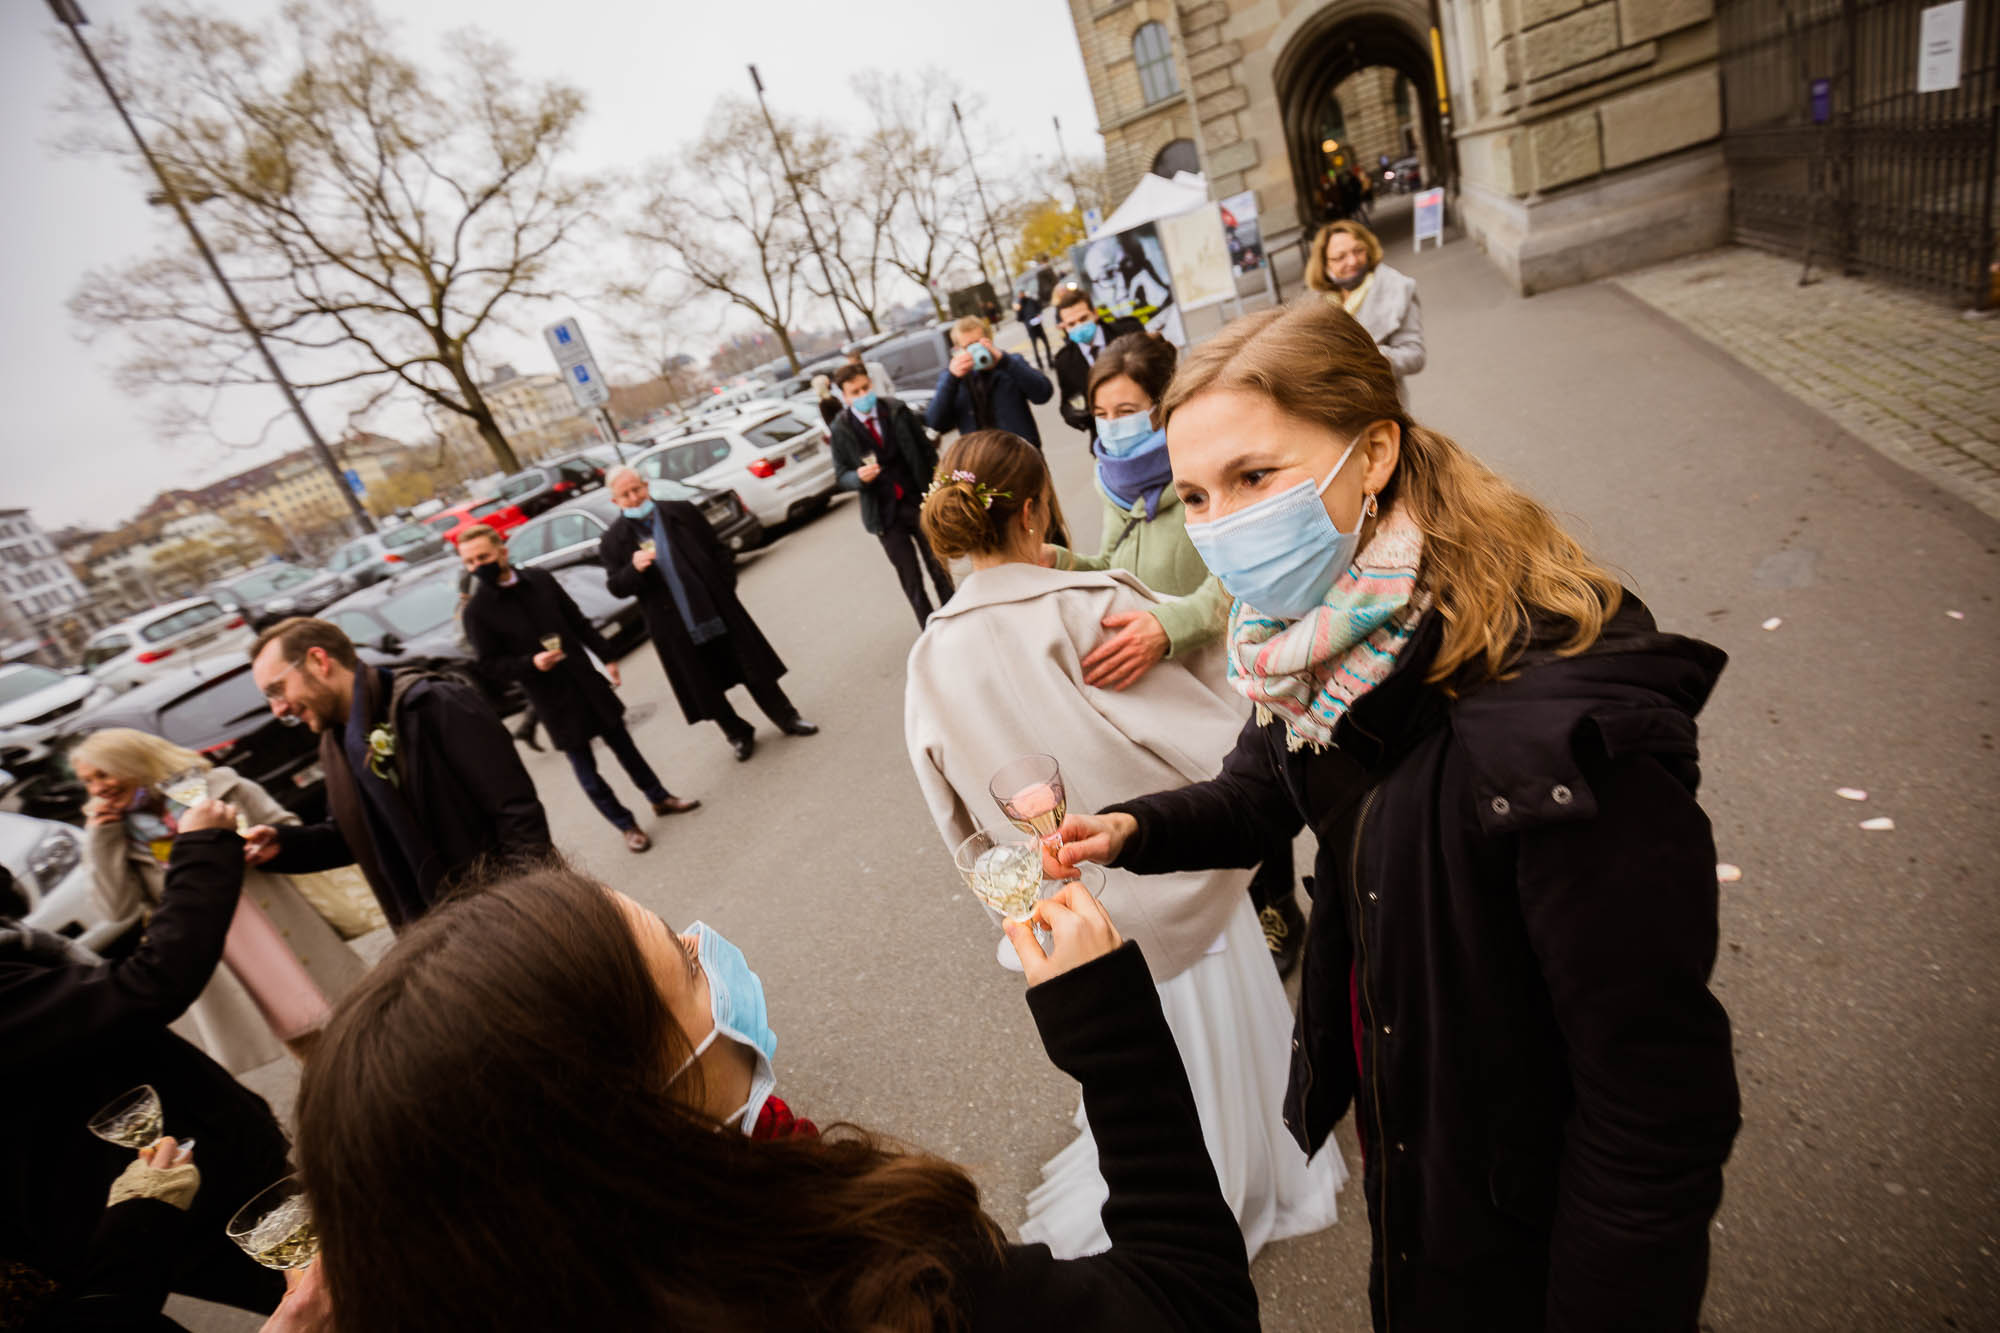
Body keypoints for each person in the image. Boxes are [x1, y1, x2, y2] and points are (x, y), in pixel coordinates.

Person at [1048, 299, 1742, 1330]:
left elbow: (1650, 1110)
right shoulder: (1309, 643)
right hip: (1413, 1090)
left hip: (1518, 1169)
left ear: (1372, 453)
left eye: (1252, 477)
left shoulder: (1554, 733)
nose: (1220, 526)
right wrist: (1132, 829)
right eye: (1193, 495)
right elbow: (1260, 787)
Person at [291, 865, 1258, 1332]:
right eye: (685, 964)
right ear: (641, 1122)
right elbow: (1190, 1302)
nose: (716, 954)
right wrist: (1115, 1038)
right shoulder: (890, 1295)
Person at [906, 429, 1344, 1262]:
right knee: (1224, 1047)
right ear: (1037, 508)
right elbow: (1222, 737)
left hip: (1070, 910)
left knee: (1139, 1074)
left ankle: (1168, 1207)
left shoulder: (930, 657)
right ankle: (1255, 1169)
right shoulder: (1091, 605)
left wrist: (1019, 902)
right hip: (1176, 880)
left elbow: (956, 819)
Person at [1047, 332, 1307, 978]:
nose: (1115, 428)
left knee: (1249, 785)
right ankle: (1239, 908)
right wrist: (1060, 563)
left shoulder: (1206, 472)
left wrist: (1173, 624)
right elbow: (1116, 563)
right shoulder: (1115, 479)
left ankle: (1281, 907)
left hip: (1224, 663)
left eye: (1129, 411)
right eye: (1102, 415)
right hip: (1168, 680)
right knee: (1197, 795)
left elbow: (1235, 576)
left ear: (1166, 405)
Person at [0, 798, 291, 1324]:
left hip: (172, 1183)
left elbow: (111, 942)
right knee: (361, 1292)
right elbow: (150, 984)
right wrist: (203, 847)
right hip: (173, 1195)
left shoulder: (16, 945)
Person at [71, 729, 367, 1071]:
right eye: (87, 782)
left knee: (355, 1011)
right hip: (223, 946)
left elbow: (288, 826)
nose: (97, 789)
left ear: (135, 762)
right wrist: (102, 839)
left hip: (276, 919)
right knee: (303, 1038)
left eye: (102, 774)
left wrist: (264, 844)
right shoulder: (116, 835)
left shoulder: (220, 786)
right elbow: (115, 908)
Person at [243, 617, 552, 929]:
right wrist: (285, 846)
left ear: (319, 661)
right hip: (437, 936)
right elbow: (358, 835)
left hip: (509, 920)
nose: (278, 709)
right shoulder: (334, 745)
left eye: (278, 690)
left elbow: (517, 815)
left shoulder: (432, 704)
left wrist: (525, 909)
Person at [457, 525, 699, 854]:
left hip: (584, 680)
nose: (477, 566)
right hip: (550, 698)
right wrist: (531, 663)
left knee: (626, 749)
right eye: (469, 562)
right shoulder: (478, 611)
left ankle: (659, 798)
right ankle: (626, 825)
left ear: (502, 552)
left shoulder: (540, 580)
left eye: (483, 556)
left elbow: (577, 621)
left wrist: (607, 656)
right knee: (587, 772)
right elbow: (488, 665)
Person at [601, 467, 817, 763]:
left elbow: (718, 550)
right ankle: (738, 734)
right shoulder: (614, 540)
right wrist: (632, 569)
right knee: (706, 685)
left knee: (753, 668)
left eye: (636, 489)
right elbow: (616, 586)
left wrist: (725, 588)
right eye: (625, 495)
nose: (634, 498)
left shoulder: (680, 512)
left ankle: (787, 718)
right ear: (615, 501)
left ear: (646, 486)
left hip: (716, 607)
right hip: (675, 625)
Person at [827, 363, 953, 627]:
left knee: (939, 566)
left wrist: (938, 487)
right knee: (911, 578)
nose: (863, 395)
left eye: (866, 387)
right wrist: (857, 478)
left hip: (917, 500)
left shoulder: (896, 409)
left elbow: (926, 451)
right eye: (855, 391)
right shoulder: (841, 429)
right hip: (884, 514)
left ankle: (955, 615)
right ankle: (931, 629)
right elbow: (841, 474)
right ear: (844, 396)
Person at [1306, 219, 1425, 397]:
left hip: (1379, 403)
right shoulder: (1316, 302)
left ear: (1368, 250)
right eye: (1340, 257)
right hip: (1332, 408)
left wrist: (1370, 357)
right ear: (1325, 265)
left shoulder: (1398, 289)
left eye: (1358, 251)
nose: (1352, 261)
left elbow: (1415, 356)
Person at [924, 315, 1054, 450]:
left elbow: (1043, 394)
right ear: (958, 349)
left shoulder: (1011, 363)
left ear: (989, 340)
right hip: (980, 459)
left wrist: (1006, 362)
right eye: (968, 346)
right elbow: (934, 422)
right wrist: (952, 378)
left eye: (978, 343)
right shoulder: (954, 377)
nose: (974, 350)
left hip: (1020, 454)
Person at [1050, 285, 1144, 444]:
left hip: (1145, 422)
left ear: (1095, 314)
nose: (1079, 326)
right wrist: (1077, 415)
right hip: (1106, 439)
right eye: (1071, 324)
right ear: (1064, 327)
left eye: (1083, 318)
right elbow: (1067, 402)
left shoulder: (1129, 331)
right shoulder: (1064, 361)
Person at [1014, 286, 1051, 369]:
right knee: (1035, 348)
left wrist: (1038, 314)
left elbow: (1039, 308)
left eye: (1022, 293)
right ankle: (1040, 364)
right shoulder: (1019, 305)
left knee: (1047, 345)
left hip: (1038, 326)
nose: (1021, 295)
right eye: (1020, 294)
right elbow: (1018, 319)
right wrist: (1018, 310)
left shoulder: (1031, 300)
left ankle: (1050, 361)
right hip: (1031, 329)